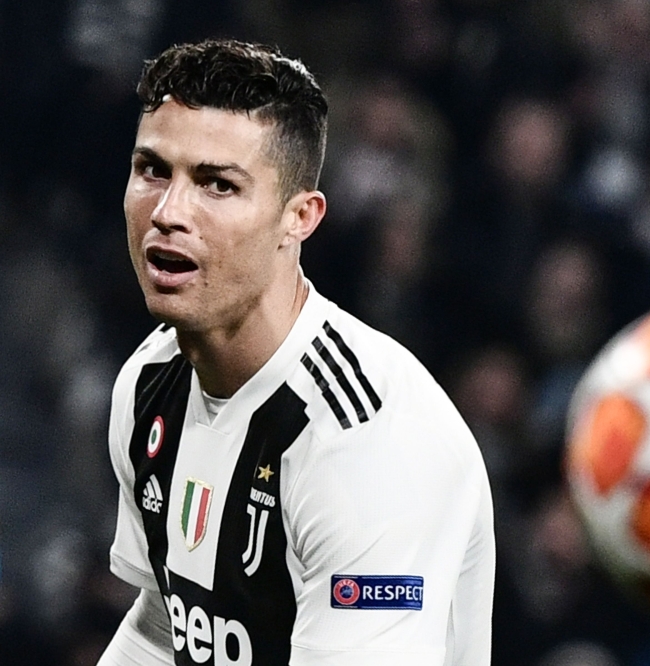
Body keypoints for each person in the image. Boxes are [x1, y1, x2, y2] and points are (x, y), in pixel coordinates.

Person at [96, 39, 495, 666]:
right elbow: (166, 630)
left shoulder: (365, 442)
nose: (168, 212)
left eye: (217, 185)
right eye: (153, 170)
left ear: (299, 219)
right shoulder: (152, 379)